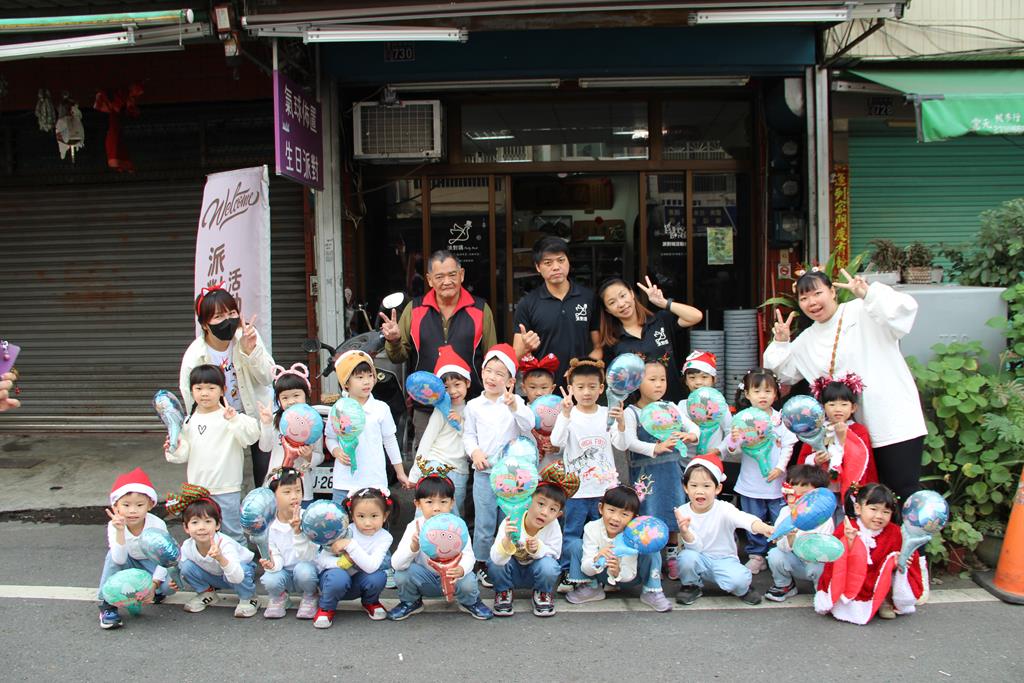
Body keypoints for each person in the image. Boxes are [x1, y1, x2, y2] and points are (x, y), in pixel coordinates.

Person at [763, 268, 927, 500]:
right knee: (862, 498)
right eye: (804, 298)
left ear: (833, 292)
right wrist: (781, 342)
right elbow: (784, 374)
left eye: (817, 293)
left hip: (892, 421)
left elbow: (904, 313)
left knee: (901, 492)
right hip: (848, 434)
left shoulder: (861, 310)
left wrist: (869, 294)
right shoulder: (806, 340)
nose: (812, 302)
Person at [380, 250, 499, 446]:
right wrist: (393, 340)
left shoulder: (480, 309)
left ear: (461, 275)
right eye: (439, 277)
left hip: (471, 407)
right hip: (426, 406)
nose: (447, 281)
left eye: (452, 275)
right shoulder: (414, 309)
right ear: (429, 280)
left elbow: (492, 359)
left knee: (472, 459)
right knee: (427, 460)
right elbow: (398, 356)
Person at [611, 359, 698, 581]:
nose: (659, 384)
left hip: (671, 470)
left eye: (662, 379)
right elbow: (629, 442)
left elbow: (693, 427)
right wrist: (654, 448)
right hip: (646, 474)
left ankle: (672, 553)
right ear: (638, 383)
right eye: (652, 379)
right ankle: (649, 556)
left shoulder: (671, 407)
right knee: (649, 512)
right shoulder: (632, 412)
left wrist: (690, 435)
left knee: (673, 509)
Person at [180, 284, 275, 487]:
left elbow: (268, 377)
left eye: (232, 313)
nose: (227, 320)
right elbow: (190, 397)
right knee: (225, 476)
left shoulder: (246, 336)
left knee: (266, 474)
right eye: (218, 316)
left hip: (257, 414)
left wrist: (250, 351)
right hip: (222, 420)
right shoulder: (196, 356)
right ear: (205, 324)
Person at [463, 343, 535, 585]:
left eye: (499, 374)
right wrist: (475, 452)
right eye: (488, 371)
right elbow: (468, 435)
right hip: (484, 473)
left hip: (512, 477)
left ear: (510, 380)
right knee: (484, 521)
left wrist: (514, 406)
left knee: (511, 520)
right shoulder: (473, 405)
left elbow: (529, 425)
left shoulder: (515, 402)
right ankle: (482, 562)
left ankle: (509, 559)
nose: (492, 377)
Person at [165, 364, 261, 544]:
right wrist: (174, 447)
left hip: (226, 488)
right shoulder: (188, 421)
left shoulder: (230, 416)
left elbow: (251, 437)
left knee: (232, 534)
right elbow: (183, 454)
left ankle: (240, 561)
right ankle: (205, 561)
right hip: (198, 490)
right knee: (201, 535)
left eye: (211, 388)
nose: (204, 393)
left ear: (223, 390)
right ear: (191, 391)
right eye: (198, 388)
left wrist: (234, 419)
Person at [388, 463, 493, 621]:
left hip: (453, 577)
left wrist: (462, 569)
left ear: (452, 503)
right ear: (418, 504)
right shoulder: (414, 527)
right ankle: (410, 601)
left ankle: (470, 601)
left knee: (468, 579)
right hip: (426, 579)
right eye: (429, 502)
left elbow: (469, 556)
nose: (436, 508)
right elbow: (396, 564)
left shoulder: (457, 526)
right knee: (402, 574)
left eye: (443, 502)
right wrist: (413, 548)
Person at [815, 483, 927, 624]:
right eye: (873, 509)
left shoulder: (895, 532)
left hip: (881, 577)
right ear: (858, 508)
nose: (879, 516)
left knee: (899, 570)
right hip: (854, 577)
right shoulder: (848, 527)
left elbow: (908, 557)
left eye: (886, 512)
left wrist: (900, 560)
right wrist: (849, 542)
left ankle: (886, 599)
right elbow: (834, 559)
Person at [673, 454, 774, 607]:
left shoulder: (724, 508)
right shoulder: (682, 511)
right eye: (694, 485)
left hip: (724, 559)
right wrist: (685, 532)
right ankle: (691, 585)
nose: (699, 491)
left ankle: (742, 588)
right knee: (686, 557)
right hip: (699, 558)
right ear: (686, 488)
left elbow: (745, 519)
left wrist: (764, 528)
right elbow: (695, 547)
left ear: (718, 488)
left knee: (738, 581)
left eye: (706, 486)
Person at [726, 368, 797, 575]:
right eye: (756, 391)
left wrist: (780, 468)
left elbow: (788, 446)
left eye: (768, 391)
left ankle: (779, 553)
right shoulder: (742, 420)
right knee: (753, 518)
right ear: (747, 394)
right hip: (751, 482)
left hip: (776, 481)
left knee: (779, 518)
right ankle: (756, 555)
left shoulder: (781, 420)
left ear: (776, 393)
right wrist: (735, 439)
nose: (762, 396)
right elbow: (733, 450)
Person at [550, 360, 619, 565]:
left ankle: (601, 568)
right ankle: (567, 569)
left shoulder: (607, 413)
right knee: (572, 531)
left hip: (604, 489)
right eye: (580, 387)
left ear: (601, 388)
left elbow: (621, 443)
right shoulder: (568, 415)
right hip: (576, 489)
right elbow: (556, 441)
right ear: (571, 389)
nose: (586, 392)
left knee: (603, 533)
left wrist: (622, 423)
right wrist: (565, 414)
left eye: (592, 386)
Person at [564, 485, 673, 612]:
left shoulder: (634, 535)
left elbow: (629, 575)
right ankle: (591, 587)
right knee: (576, 545)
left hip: (629, 577)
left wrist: (617, 571)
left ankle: (651, 591)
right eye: (611, 510)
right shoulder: (591, 528)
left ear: (633, 518)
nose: (616, 518)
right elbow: (586, 568)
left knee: (651, 550)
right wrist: (597, 559)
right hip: (599, 574)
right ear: (601, 508)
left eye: (624, 514)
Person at [325, 350, 412, 504]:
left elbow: (390, 441)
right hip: (344, 482)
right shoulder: (338, 408)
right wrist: (336, 451)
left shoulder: (381, 408)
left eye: (370, 376)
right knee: (341, 518)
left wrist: (400, 472)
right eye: (360, 377)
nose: (367, 382)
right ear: (346, 383)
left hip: (374, 481)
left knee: (374, 518)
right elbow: (330, 438)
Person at [596, 276, 702, 402]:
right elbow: (613, 382)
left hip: (673, 402)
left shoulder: (660, 320)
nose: (621, 304)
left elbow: (695, 316)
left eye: (623, 296)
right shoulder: (612, 341)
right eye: (612, 302)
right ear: (607, 310)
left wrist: (664, 303)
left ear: (631, 294)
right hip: (637, 408)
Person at [488, 462, 573, 618]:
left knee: (550, 566)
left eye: (552, 509)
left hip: (535, 572)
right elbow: (496, 559)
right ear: (528, 501)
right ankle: (503, 591)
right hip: (512, 570)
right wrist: (506, 542)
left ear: (558, 515)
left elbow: (555, 554)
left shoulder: (553, 526)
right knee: (494, 563)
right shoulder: (512, 521)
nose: (544, 512)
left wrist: (538, 549)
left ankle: (542, 592)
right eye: (541, 504)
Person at [513, 237, 600, 387]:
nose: (556, 267)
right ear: (538, 267)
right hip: (544, 389)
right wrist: (526, 347)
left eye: (561, 260)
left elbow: (598, 347)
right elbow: (515, 355)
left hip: (581, 388)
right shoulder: (527, 304)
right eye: (548, 263)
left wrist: (581, 369)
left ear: (568, 261)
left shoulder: (588, 297)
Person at [97, 468, 170, 629]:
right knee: (111, 557)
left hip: (151, 562)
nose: (132, 510)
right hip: (128, 560)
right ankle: (107, 605)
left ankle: (153, 592)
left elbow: (164, 559)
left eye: (139, 505)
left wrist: (154, 585)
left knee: (168, 586)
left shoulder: (157, 524)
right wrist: (120, 532)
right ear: (116, 506)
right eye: (126, 505)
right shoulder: (114, 525)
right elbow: (119, 560)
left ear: (150, 505)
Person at [173, 487, 259, 618]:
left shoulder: (225, 544)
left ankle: (249, 598)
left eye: (208, 521)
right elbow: (179, 568)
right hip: (215, 575)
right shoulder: (187, 546)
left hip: (239, 574)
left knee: (242, 569)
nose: (201, 527)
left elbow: (237, 577)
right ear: (186, 527)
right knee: (185, 567)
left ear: (218, 524)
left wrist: (221, 558)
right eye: (195, 522)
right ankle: (207, 593)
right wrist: (173, 580)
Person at [314, 488, 393, 628]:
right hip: (333, 583)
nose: (367, 523)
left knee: (378, 576)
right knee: (338, 576)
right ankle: (326, 607)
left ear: (385, 515)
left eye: (374, 516)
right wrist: (342, 563)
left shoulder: (385, 537)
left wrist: (350, 545)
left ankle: (370, 601)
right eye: (361, 516)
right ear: (352, 515)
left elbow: (372, 566)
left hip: (359, 583)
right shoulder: (343, 530)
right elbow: (321, 560)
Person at [408, 346, 473, 516]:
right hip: (435, 466)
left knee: (453, 514)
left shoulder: (472, 410)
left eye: (457, 384)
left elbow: (473, 441)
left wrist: (461, 423)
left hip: (459, 469)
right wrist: (415, 474)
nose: (452, 391)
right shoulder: (440, 411)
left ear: (467, 382)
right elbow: (426, 441)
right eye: (446, 387)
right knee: (427, 513)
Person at [799, 374, 879, 506]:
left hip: (847, 488)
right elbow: (803, 459)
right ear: (823, 407)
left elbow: (863, 462)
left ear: (853, 408)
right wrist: (815, 460)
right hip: (820, 489)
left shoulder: (859, 430)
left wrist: (844, 439)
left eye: (844, 404)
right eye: (832, 404)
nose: (838, 409)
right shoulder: (816, 430)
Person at [257, 363, 324, 508]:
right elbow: (265, 447)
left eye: (296, 395)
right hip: (274, 487)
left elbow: (320, 455)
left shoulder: (313, 422)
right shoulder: (275, 420)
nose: (291, 401)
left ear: (306, 395)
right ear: (278, 400)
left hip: (301, 490)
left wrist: (309, 456)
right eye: (285, 398)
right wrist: (266, 424)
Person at [764, 464, 833, 602]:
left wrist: (799, 539)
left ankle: (822, 590)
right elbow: (781, 545)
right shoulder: (785, 512)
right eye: (792, 494)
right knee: (774, 555)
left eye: (804, 496)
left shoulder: (824, 518)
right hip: (795, 561)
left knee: (820, 567)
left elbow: (821, 551)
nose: (795, 500)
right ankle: (784, 585)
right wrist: (790, 538)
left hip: (815, 562)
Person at [259, 468, 319, 619]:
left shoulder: (309, 518)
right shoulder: (269, 524)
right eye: (287, 492)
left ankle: (310, 595)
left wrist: (298, 532)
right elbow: (275, 554)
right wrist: (272, 564)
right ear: (273, 496)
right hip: (285, 571)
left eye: (298, 490)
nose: (294, 496)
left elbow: (310, 556)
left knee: (304, 571)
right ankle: (280, 597)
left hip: (306, 570)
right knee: (270, 578)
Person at [519, 352, 560, 469]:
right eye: (532, 387)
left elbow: (567, 437)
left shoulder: (560, 411)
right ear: (523, 388)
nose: (538, 392)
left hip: (552, 467)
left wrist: (558, 448)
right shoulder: (520, 412)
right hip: (527, 469)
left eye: (544, 387)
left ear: (552, 388)